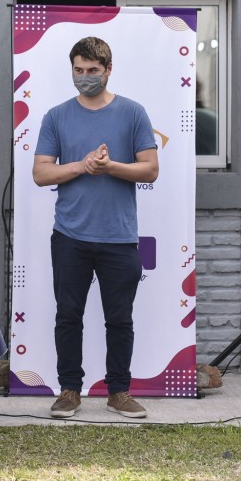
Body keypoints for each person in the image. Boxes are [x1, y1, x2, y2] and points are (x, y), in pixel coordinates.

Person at [32, 36, 159, 420]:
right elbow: (40, 173)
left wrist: (110, 167)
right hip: (69, 236)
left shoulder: (133, 113)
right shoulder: (56, 116)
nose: (85, 76)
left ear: (108, 69)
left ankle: (119, 391)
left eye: (92, 70)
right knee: (67, 316)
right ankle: (69, 390)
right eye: (78, 70)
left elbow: (150, 169)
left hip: (119, 238)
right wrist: (82, 165)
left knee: (120, 319)